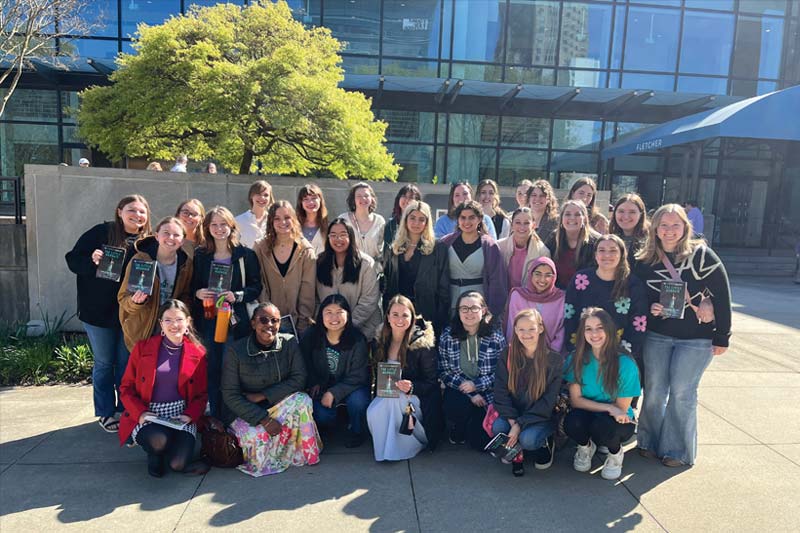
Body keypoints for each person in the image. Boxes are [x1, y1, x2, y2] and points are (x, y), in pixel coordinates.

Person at [635, 204, 731, 467]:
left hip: (696, 338)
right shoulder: (644, 260)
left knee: (681, 393)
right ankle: (648, 440)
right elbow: (637, 296)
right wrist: (651, 308)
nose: (669, 231)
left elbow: (722, 295)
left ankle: (676, 450)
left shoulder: (702, 256)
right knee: (654, 390)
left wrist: (723, 335)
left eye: (675, 225)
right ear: (655, 229)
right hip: (657, 335)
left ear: (685, 227)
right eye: (663, 225)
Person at [65, 194, 151, 433]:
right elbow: (72, 260)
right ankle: (104, 411)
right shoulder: (100, 233)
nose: (137, 215)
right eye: (132, 210)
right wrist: (92, 260)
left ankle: (125, 408)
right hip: (98, 312)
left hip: (131, 314)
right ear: (120, 211)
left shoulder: (148, 242)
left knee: (126, 364)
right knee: (104, 363)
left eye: (142, 211)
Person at [221, 302, 321, 477]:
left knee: (303, 400)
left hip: (277, 404)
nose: (269, 325)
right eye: (263, 320)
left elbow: (299, 379)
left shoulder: (289, 343)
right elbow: (230, 395)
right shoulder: (235, 351)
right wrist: (263, 420)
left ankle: (299, 453)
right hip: (246, 411)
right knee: (258, 438)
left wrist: (262, 395)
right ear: (253, 323)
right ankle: (271, 454)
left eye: (274, 320)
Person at [118, 300, 208, 477]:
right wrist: (140, 413)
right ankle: (155, 453)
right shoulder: (142, 348)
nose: (174, 325)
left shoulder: (198, 353)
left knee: (178, 464)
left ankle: (171, 445)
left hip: (180, 415)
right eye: (168, 320)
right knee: (159, 440)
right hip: (149, 412)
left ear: (188, 322)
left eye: (179, 319)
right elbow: (126, 388)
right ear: (161, 323)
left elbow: (201, 394)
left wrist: (189, 415)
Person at [191, 206, 262, 417]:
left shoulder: (245, 255)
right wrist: (198, 293)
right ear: (207, 227)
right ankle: (215, 415)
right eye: (214, 224)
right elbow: (192, 285)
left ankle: (233, 416)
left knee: (231, 369)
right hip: (208, 320)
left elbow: (256, 287)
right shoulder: (201, 255)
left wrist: (237, 295)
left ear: (232, 226)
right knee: (212, 368)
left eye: (223, 224)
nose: (219, 228)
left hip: (235, 322)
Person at [564, 307, 641, 480]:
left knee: (604, 426)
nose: (594, 334)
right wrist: (608, 407)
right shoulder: (576, 358)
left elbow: (620, 409)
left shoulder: (625, 364)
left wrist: (611, 410)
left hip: (616, 421)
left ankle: (615, 454)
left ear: (609, 329)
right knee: (571, 422)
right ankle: (586, 447)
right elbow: (576, 401)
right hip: (588, 414)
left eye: (600, 328)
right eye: (588, 329)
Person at [367, 296, 442, 460]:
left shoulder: (422, 344)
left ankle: (401, 448)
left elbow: (432, 382)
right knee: (374, 411)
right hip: (388, 393)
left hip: (416, 397)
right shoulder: (380, 341)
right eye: (395, 314)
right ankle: (385, 446)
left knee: (393, 402)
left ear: (412, 318)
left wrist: (412, 387)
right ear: (388, 317)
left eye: (405, 315)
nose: (400, 320)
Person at [492, 309, 563, 476]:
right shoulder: (507, 354)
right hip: (514, 412)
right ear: (515, 331)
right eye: (521, 329)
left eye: (531, 328)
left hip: (539, 415)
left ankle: (546, 442)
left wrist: (519, 426)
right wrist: (513, 422)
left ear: (540, 328)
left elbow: (547, 402)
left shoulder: (554, 360)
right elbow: (500, 391)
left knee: (528, 439)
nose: (526, 334)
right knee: (498, 427)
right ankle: (516, 451)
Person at [438, 291, 507, 449]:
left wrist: (477, 385)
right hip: (460, 390)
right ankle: (459, 426)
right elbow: (443, 371)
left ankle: (475, 424)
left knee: (480, 444)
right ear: (458, 311)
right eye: (464, 308)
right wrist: (471, 392)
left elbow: (503, 372)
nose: (469, 313)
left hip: (488, 392)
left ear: (483, 310)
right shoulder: (448, 336)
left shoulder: (495, 337)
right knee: (455, 406)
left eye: (474, 308)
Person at [564, 234, 648, 362]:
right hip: (584, 354)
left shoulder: (633, 285)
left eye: (613, 250)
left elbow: (638, 323)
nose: (607, 255)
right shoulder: (580, 279)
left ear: (622, 255)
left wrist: (623, 355)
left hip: (619, 356)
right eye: (602, 250)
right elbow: (570, 316)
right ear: (595, 255)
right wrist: (576, 350)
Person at [300, 294, 371, 448]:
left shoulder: (357, 339)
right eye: (329, 312)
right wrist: (313, 382)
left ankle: (357, 431)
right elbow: (304, 364)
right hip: (322, 386)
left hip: (352, 387)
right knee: (322, 415)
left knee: (358, 402)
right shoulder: (311, 336)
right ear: (321, 315)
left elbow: (359, 376)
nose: (334, 317)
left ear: (348, 315)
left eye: (339, 312)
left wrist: (334, 392)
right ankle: (334, 424)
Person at [118, 217, 194, 350]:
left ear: (182, 240)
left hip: (169, 327)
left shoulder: (186, 264)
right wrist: (135, 302)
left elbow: (185, 294)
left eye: (176, 235)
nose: (171, 238)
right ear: (157, 236)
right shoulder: (141, 260)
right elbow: (123, 298)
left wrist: (181, 315)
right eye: (166, 233)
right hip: (142, 328)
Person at [383, 201, 450, 335]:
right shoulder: (394, 249)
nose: (416, 223)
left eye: (421, 219)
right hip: (398, 314)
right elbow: (387, 285)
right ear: (405, 220)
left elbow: (444, 287)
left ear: (427, 222)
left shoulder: (438, 248)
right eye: (412, 218)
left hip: (427, 314)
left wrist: (440, 317)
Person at [253, 201, 316, 335]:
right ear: (271, 221)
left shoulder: (305, 250)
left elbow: (308, 289)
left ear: (294, 219)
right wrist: (268, 317)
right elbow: (259, 282)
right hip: (267, 323)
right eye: (277, 218)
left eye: (287, 217)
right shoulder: (260, 247)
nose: (283, 222)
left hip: (298, 323)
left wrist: (302, 324)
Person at [316, 218, 382, 340]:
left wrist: (346, 325)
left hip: (362, 329)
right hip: (329, 329)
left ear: (351, 236)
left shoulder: (366, 264)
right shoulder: (319, 262)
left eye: (343, 235)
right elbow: (316, 299)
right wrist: (329, 324)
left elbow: (369, 301)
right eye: (333, 235)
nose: (338, 239)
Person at [439, 201, 508, 317]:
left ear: (479, 219)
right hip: (450, 304)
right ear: (458, 219)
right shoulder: (446, 243)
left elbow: (497, 281)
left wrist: (492, 313)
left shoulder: (489, 246)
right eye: (463, 218)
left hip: (477, 306)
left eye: (471, 217)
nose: (467, 222)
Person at [505, 257, 565, 353]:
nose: (542, 279)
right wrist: (521, 352)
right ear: (530, 274)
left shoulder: (560, 298)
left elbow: (561, 330)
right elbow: (512, 327)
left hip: (550, 354)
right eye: (538, 274)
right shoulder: (518, 295)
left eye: (548, 275)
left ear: (554, 277)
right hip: (521, 353)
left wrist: (551, 354)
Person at [545, 200, 599, 289]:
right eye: (567, 214)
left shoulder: (595, 243)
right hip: (556, 293)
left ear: (584, 219)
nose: (572, 218)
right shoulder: (553, 239)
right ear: (561, 219)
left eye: (577, 214)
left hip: (585, 293)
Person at [496, 207, 550, 290]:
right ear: (512, 225)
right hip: (502, 295)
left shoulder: (543, 253)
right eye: (518, 223)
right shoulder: (499, 247)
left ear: (533, 225)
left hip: (529, 296)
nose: (522, 227)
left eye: (526, 223)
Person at [338, 182, 386, 272]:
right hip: (348, 269)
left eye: (366, 196)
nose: (363, 198)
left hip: (373, 271)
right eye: (359, 196)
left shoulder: (380, 221)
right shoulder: (343, 219)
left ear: (372, 198)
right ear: (353, 199)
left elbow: (383, 249)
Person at [433, 182, 498, 240]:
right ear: (452, 199)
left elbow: (493, 244)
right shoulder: (442, 222)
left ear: (471, 196)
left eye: (465, 194)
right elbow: (438, 245)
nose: (461, 198)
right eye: (457, 195)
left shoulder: (486, 219)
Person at [609, 193, 648, 269]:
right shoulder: (610, 238)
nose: (626, 217)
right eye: (621, 211)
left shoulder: (651, 242)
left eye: (632, 212)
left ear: (641, 214)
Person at [235, 180, 273, 248]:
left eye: (266, 195)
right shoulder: (239, 221)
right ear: (251, 196)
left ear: (270, 198)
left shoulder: (273, 221)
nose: (262, 198)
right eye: (258, 194)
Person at [383, 184, 422, 250]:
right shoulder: (391, 225)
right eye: (404, 196)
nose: (407, 200)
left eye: (411, 197)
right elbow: (386, 250)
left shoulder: (421, 224)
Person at [296, 183, 329, 256]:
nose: (310, 202)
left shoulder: (329, 226)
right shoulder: (295, 225)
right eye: (306, 199)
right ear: (301, 203)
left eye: (314, 198)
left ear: (320, 200)